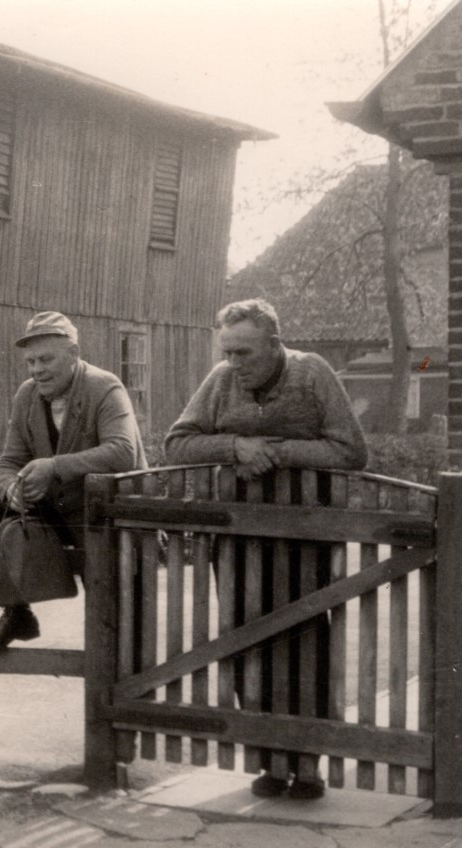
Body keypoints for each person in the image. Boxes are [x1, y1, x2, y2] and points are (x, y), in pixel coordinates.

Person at [164, 298, 367, 801]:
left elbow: (351, 450)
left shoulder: (312, 373)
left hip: (304, 537)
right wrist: (235, 447)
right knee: (244, 641)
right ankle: (270, 761)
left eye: (245, 353)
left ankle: (309, 765)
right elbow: (177, 443)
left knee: (305, 646)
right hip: (236, 538)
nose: (234, 363)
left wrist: (275, 452)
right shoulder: (220, 380)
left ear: (275, 345)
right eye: (228, 352)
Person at [0, 311, 147, 652]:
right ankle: (17, 613)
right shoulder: (27, 395)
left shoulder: (104, 386)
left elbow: (123, 452)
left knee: (120, 629)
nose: (36, 370)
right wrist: (12, 488)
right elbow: (8, 462)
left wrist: (54, 467)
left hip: (108, 515)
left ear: (74, 354)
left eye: (46, 359)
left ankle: (127, 657)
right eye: (31, 361)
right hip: (61, 511)